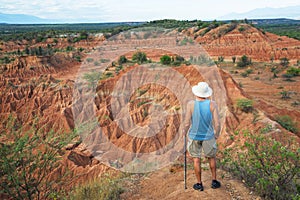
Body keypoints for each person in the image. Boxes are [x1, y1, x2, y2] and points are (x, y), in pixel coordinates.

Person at [183, 82, 221, 191]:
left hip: (194, 136)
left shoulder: (191, 104)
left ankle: (199, 184)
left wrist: (184, 132)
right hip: (208, 136)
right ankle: (214, 181)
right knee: (211, 158)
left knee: (196, 159)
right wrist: (216, 134)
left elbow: (186, 123)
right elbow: (217, 124)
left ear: (196, 93)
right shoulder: (212, 104)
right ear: (207, 94)